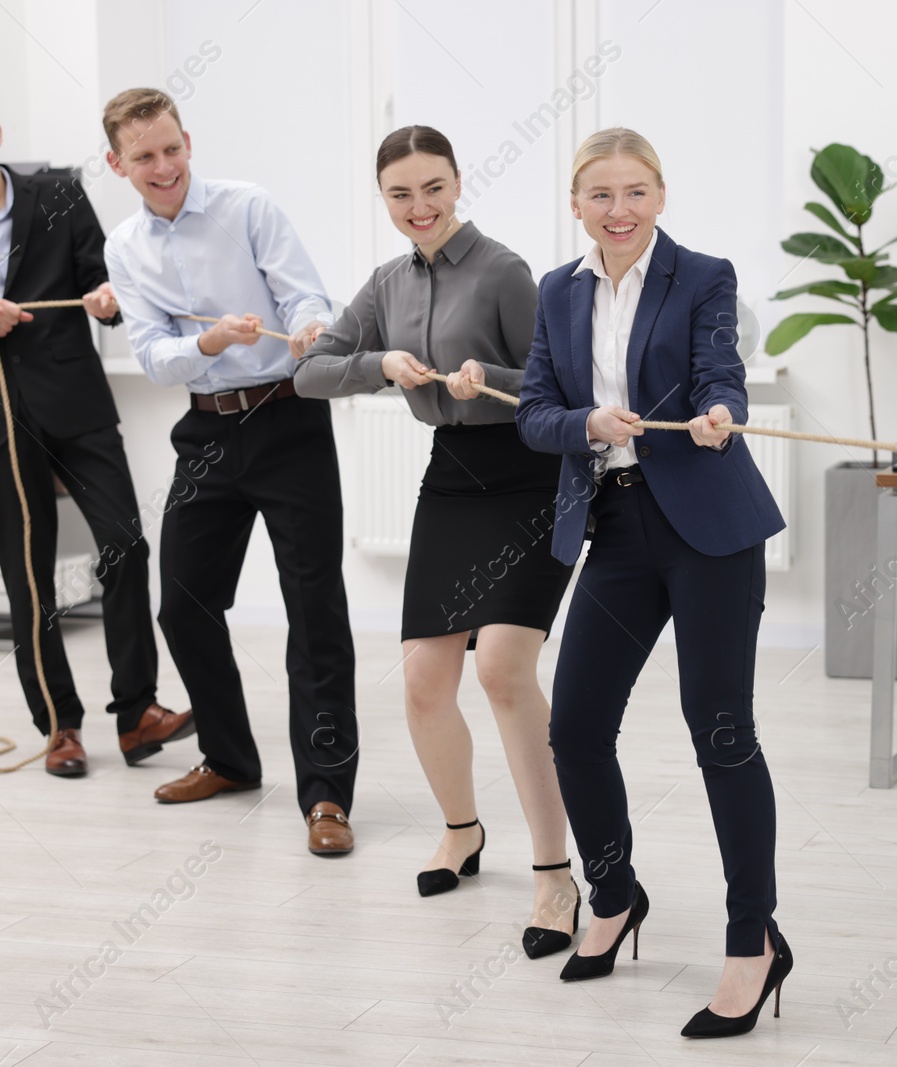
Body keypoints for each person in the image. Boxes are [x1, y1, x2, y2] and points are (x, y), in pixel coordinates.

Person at [515, 127, 794, 1037]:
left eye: (636, 191)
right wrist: (586, 422)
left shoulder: (704, 275)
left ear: (661, 196)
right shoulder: (557, 292)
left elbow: (724, 369)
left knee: (720, 730)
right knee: (575, 727)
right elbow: (533, 413)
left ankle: (752, 940)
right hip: (617, 528)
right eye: (601, 194)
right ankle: (615, 891)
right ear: (577, 204)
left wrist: (722, 413)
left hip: (708, 528)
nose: (620, 209)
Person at [295, 126, 579, 955]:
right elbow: (311, 372)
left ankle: (556, 873)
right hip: (450, 480)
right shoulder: (386, 282)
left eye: (432, 188)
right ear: (383, 199)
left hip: (525, 475)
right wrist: (380, 363)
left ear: (458, 182)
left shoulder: (503, 270)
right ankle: (462, 830)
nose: (419, 208)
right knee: (423, 680)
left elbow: (557, 388)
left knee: (500, 669)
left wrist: (487, 379)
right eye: (400, 194)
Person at [0, 81, 193, 779]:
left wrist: (108, 299)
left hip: (77, 403)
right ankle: (60, 727)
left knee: (124, 543)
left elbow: (100, 281)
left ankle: (137, 711)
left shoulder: (57, 192)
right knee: (30, 580)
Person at [100, 88, 359, 855]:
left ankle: (326, 797)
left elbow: (304, 290)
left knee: (313, 613)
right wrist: (207, 345)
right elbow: (149, 354)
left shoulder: (249, 206)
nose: (164, 165)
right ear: (118, 163)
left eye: (172, 148)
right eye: (144, 156)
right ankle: (231, 758)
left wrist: (311, 323)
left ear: (188, 140)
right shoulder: (123, 247)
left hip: (288, 421)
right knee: (182, 604)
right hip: (207, 429)